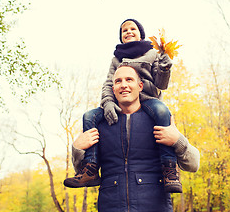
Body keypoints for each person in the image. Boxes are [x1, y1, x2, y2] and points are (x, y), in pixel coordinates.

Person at [64, 19, 182, 193]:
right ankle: (90, 167)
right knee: (89, 116)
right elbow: (108, 83)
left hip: (148, 99)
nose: (128, 31)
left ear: (140, 33)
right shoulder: (117, 58)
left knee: (163, 111)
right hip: (120, 101)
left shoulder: (152, 53)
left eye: (132, 28)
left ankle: (169, 169)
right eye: (124, 30)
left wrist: (165, 69)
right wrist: (108, 102)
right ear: (121, 36)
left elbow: (161, 83)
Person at [65, 65, 200, 212]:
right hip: (110, 206)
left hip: (155, 206)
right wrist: (77, 148)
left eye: (129, 79)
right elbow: (83, 173)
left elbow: (193, 165)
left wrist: (177, 140)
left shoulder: (159, 119)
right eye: (118, 81)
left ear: (140, 86)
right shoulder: (99, 124)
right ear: (113, 89)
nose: (124, 85)